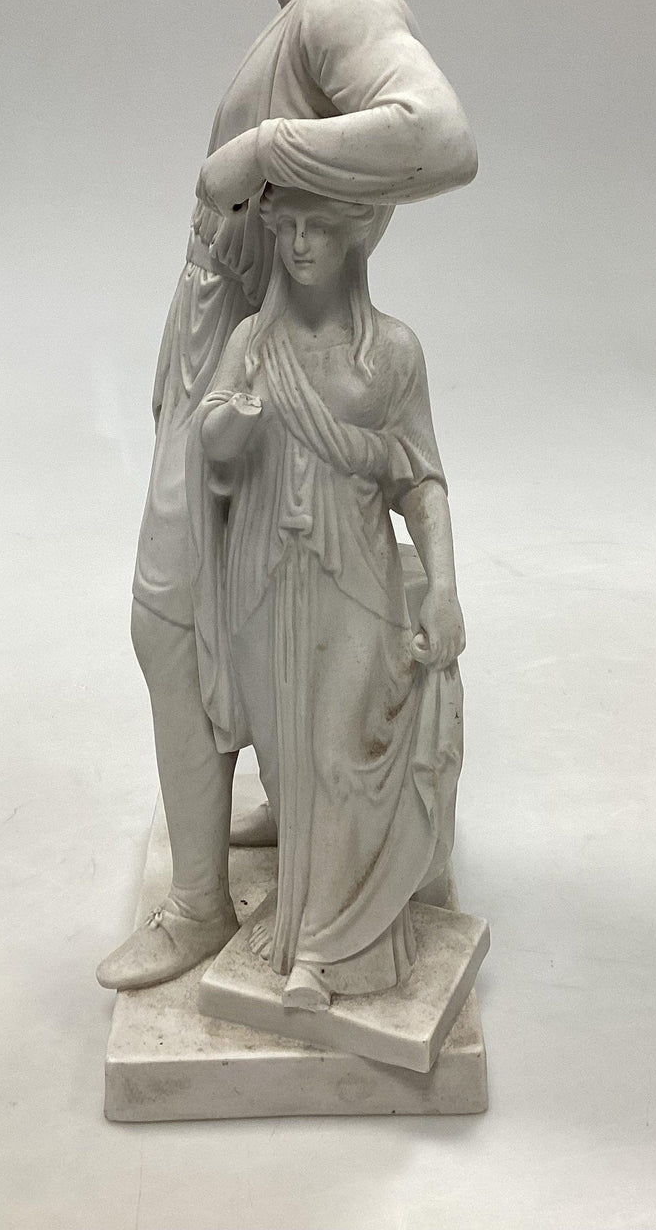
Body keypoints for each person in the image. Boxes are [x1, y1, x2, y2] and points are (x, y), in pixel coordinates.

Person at [97, 0, 476, 992]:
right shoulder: (305, 14)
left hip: (258, 368)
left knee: (167, 623)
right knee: (236, 609)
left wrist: (263, 150)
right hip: (237, 358)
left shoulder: (339, 10)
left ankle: (198, 905)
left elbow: (437, 135)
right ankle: (291, 806)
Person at [191, 189, 465, 1010]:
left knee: (343, 756)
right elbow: (211, 441)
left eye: (320, 228)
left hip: (353, 575)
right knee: (288, 760)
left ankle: (322, 950)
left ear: (355, 237)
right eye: (289, 229)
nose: (302, 244)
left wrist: (444, 587)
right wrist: (237, 420)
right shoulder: (252, 340)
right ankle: (307, 898)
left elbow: (422, 481)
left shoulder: (392, 353)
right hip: (262, 574)